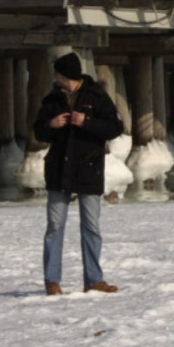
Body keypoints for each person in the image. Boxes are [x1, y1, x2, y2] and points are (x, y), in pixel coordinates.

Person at [34, 52, 125, 296]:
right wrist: (51, 125)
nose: (54, 78)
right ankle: (52, 280)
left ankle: (94, 279)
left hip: (88, 168)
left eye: (57, 74)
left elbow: (116, 127)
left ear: (67, 75)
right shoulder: (52, 99)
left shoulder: (97, 96)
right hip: (58, 170)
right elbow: (38, 131)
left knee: (91, 226)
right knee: (55, 226)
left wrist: (86, 122)